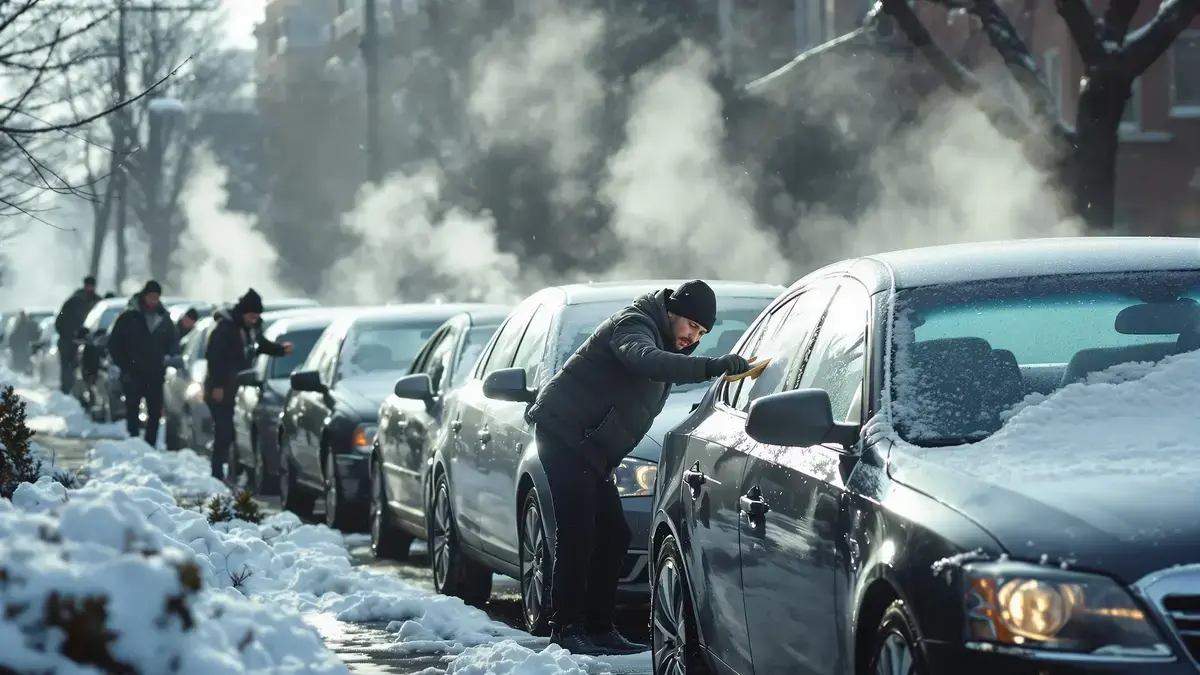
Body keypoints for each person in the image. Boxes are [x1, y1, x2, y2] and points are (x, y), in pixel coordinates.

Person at [526, 280, 751, 655]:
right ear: (673, 311)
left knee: (613, 534)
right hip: (564, 436)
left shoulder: (664, 337)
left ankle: (599, 627)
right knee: (578, 529)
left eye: (701, 333)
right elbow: (642, 358)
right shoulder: (634, 324)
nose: (693, 337)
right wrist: (710, 366)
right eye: (692, 327)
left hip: (592, 449)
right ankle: (565, 628)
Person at [204, 289, 292, 483]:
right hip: (219, 388)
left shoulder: (250, 328)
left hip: (237, 386)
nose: (255, 319)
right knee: (224, 431)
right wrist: (217, 386)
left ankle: (233, 473)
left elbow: (260, 345)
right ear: (243, 313)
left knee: (232, 434)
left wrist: (279, 350)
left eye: (257, 315)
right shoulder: (224, 329)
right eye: (252, 315)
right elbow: (214, 358)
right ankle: (217, 474)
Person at [107, 280, 180, 447]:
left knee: (155, 412)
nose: (153, 301)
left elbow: (173, 341)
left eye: (156, 297)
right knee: (132, 410)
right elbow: (114, 343)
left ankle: (150, 445)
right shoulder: (129, 317)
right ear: (144, 296)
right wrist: (125, 364)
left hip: (155, 373)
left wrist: (169, 356)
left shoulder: (163, 318)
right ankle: (134, 443)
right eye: (151, 297)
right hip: (133, 373)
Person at [55, 275, 100, 394]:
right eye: (88, 286)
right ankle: (67, 394)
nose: (90, 289)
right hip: (69, 343)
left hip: (89, 343)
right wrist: (71, 336)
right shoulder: (72, 302)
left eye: (92, 286)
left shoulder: (98, 303)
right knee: (68, 372)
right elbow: (60, 323)